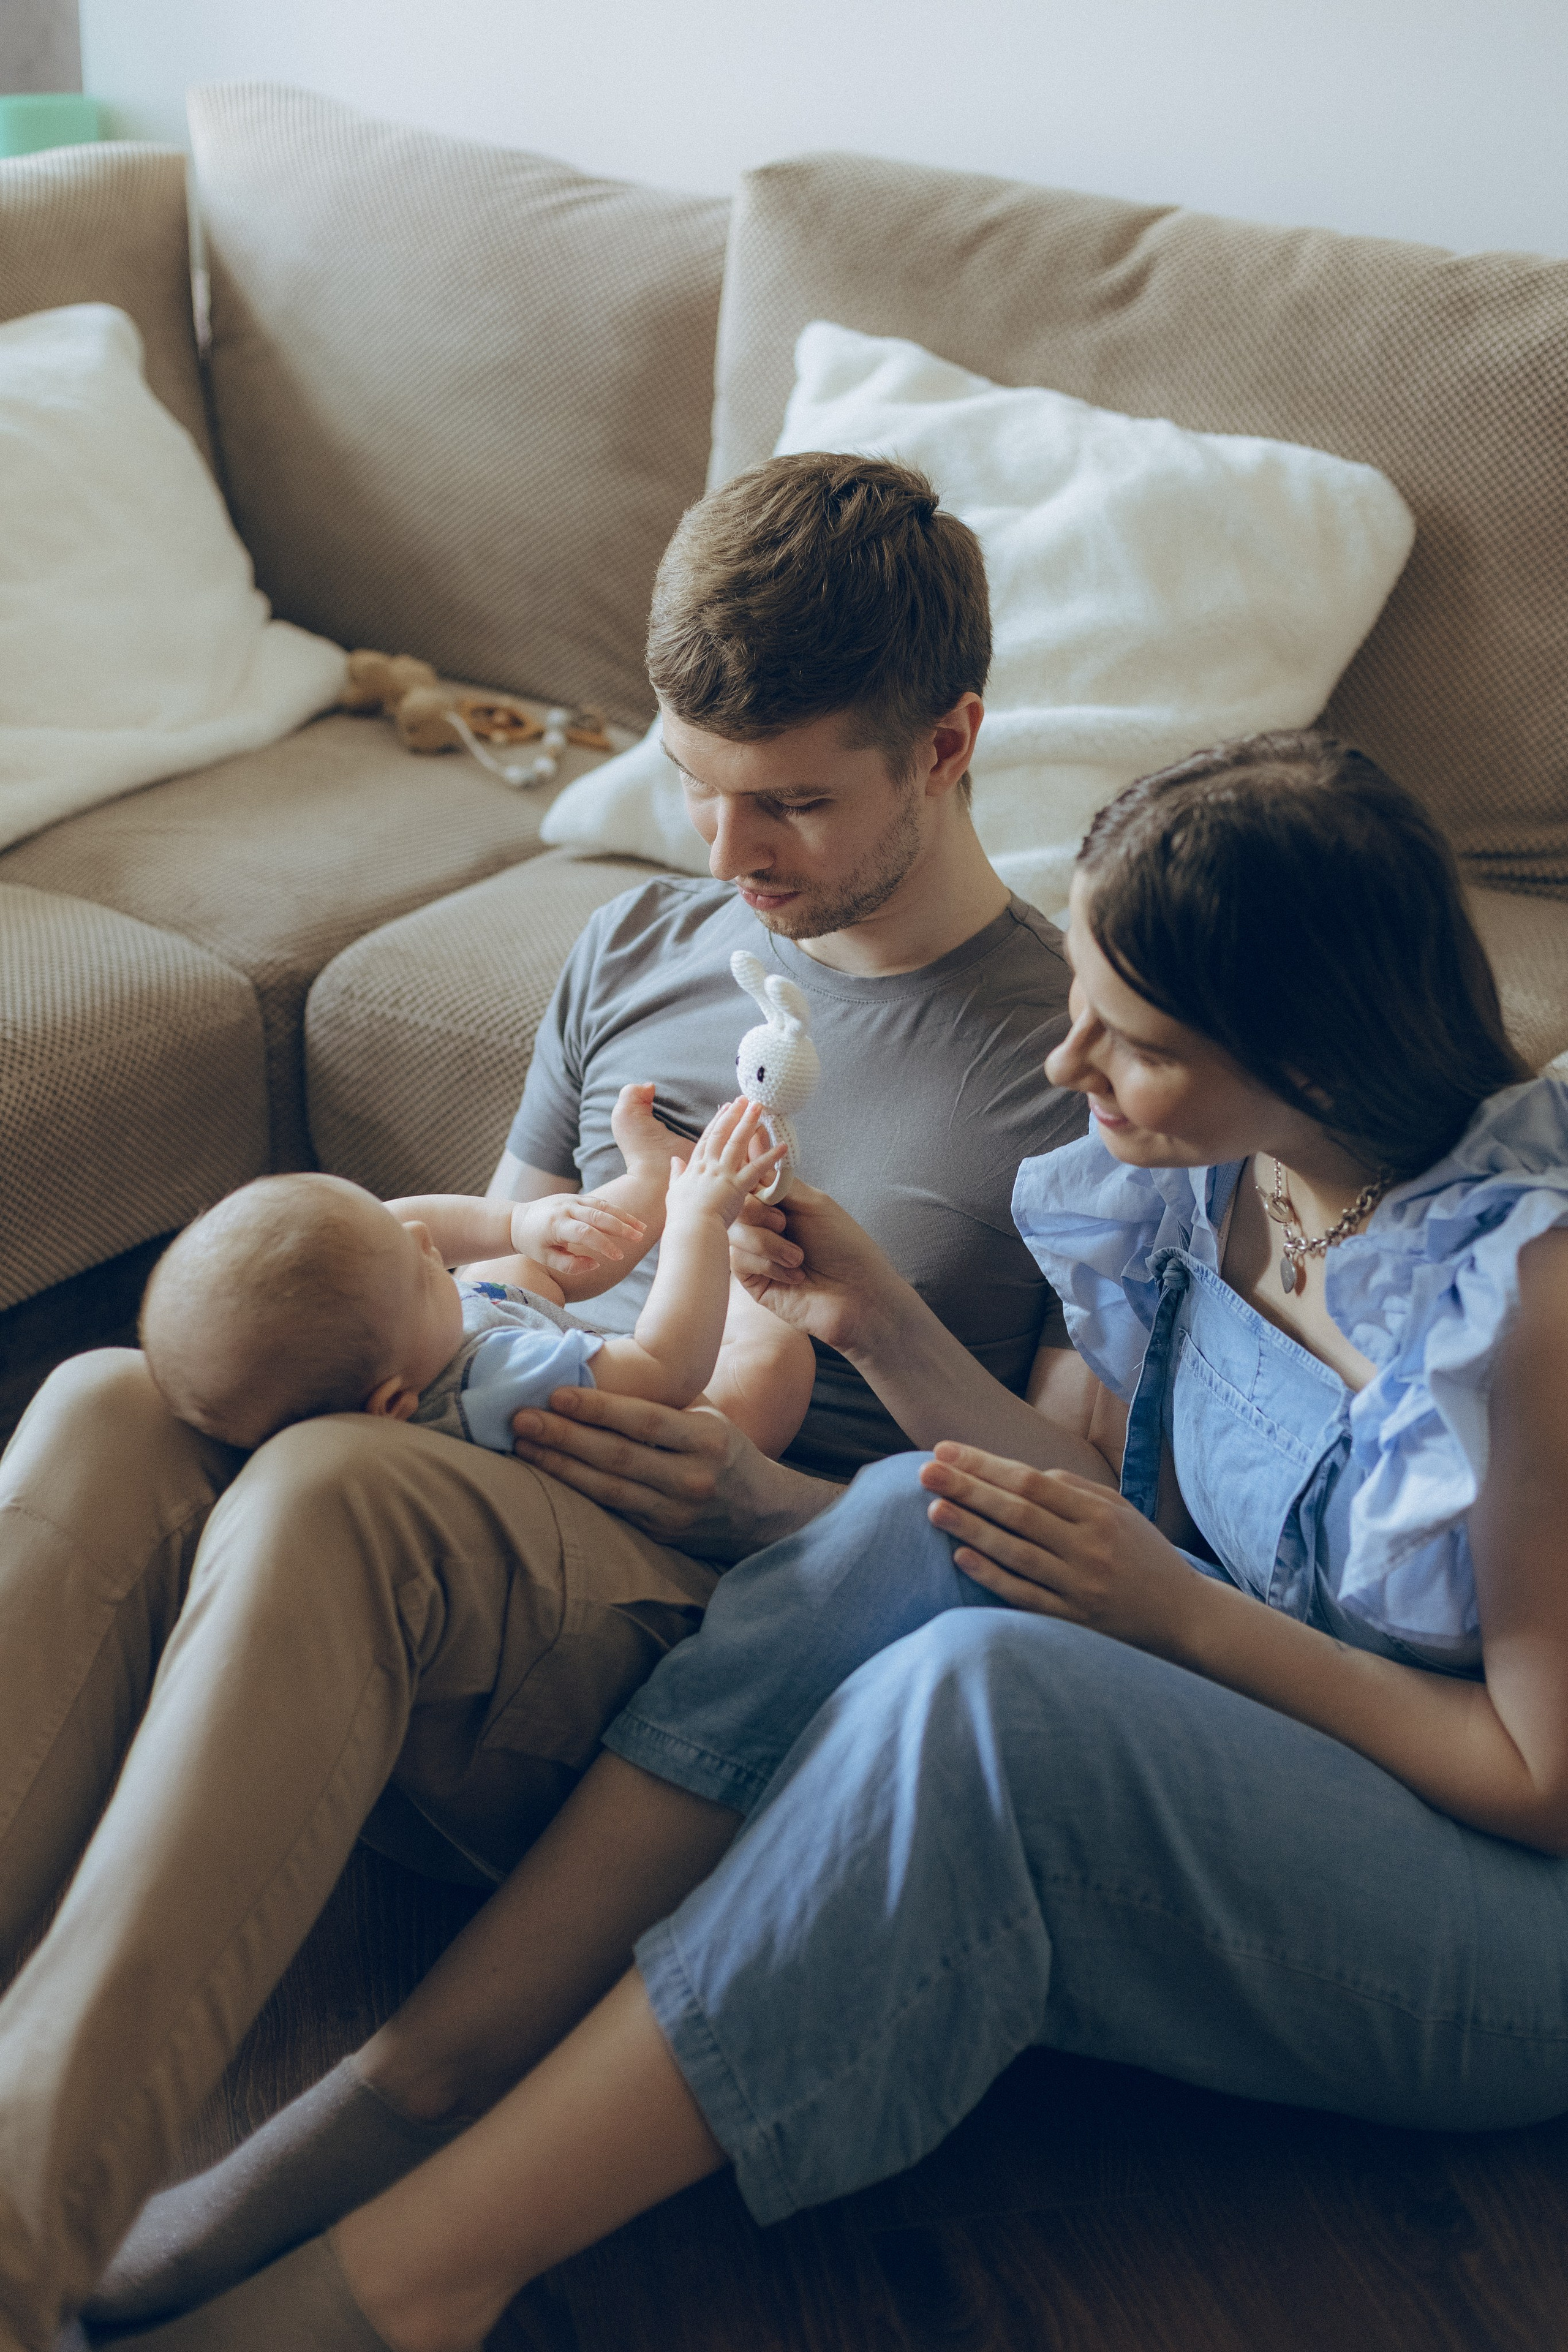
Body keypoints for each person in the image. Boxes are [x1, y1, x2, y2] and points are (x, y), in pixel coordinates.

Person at [83, 732, 1568, 2352]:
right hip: (1288, 1739)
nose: (1068, 1067)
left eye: (1127, 1042)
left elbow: (1532, 1783)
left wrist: (1179, 1620)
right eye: (1076, 998)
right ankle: (418, 2074)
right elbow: (1111, 1523)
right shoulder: (1220, 1175)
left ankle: (423, 2276)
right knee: (901, 1521)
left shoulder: (1526, 1301)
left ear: (1319, 1060)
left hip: (1498, 1922)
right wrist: (877, 1326)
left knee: (991, 1695)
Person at [0, 452, 1084, 2348]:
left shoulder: (1073, 1056)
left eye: (795, 802)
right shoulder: (638, 945)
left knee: (335, 1487)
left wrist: (774, 1503)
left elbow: (1088, 1517)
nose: (733, 852)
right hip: (462, 1542)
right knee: (104, 1401)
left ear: (952, 742)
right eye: (695, 784)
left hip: (710, 1640)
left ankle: (16, 2244)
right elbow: (488, 1267)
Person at [138, 1095, 810, 1460]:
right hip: (669, 1425)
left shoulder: (400, 1341)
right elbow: (668, 1368)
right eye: (418, 1273)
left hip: (505, 1322)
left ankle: (652, 1180)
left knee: (525, 1260)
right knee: (767, 1365)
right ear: (394, 1408)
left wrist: (517, 1224)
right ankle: (730, 1250)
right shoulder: (494, 1387)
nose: (423, 1239)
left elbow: (394, 1223)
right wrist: (701, 1225)